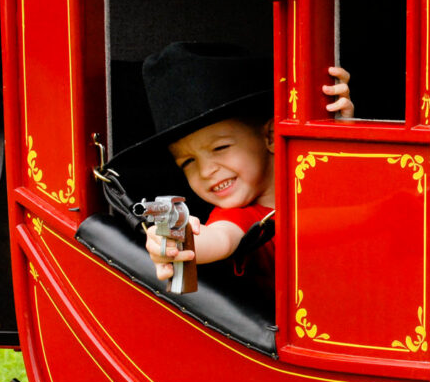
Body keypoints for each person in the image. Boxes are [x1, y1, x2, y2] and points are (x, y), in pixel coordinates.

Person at [122, 42, 352, 283]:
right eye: (188, 162)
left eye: (220, 148)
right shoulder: (237, 217)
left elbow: (351, 185)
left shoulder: (318, 183)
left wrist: (341, 126)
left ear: (271, 136)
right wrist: (176, 239)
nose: (206, 170)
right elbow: (218, 238)